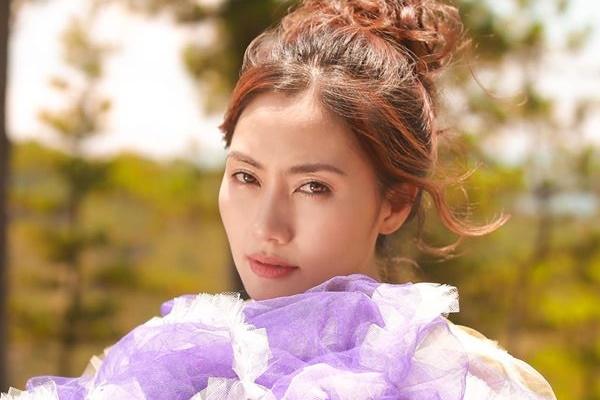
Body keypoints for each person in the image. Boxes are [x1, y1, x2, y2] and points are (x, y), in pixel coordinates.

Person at [3, 0, 557, 399]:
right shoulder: (168, 363)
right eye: (246, 177)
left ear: (396, 203)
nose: (267, 226)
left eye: (313, 187)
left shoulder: (459, 381)